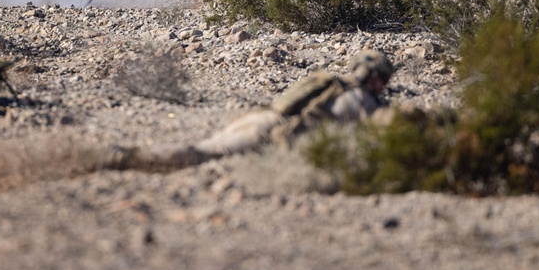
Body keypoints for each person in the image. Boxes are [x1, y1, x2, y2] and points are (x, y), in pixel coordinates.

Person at [114, 49, 395, 170]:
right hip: (270, 131)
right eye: (383, 79)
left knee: (205, 147)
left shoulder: (333, 84)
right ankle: (126, 158)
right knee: (202, 154)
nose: (383, 86)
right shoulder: (362, 100)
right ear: (375, 77)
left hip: (261, 117)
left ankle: (129, 156)